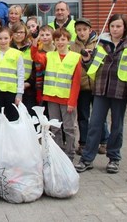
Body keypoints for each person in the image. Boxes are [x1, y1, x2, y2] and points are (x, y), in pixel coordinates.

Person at [74, 14, 127, 173]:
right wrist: (86, 60)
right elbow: (92, 67)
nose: (115, 29)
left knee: (117, 126)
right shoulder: (101, 44)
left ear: (125, 27)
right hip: (100, 89)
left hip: (120, 91)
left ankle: (114, 158)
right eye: (113, 26)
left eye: (118, 26)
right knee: (95, 124)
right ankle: (87, 159)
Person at [31, 27, 81, 160]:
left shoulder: (76, 57)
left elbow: (76, 83)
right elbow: (35, 56)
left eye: (63, 39)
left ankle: (70, 154)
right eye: (57, 39)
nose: (60, 42)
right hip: (51, 97)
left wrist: (72, 102)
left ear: (68, 40)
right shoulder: (49, 55)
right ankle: (57, 153)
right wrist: (35, 41)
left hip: (66, 99)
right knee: (55, 128)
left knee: (69, 129)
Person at [69, 18, 109, 156]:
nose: (82, 32)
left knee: (100, 116)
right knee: (83, 116)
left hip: (97, 86)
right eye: (79, 30)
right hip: (82, 86)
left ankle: (104, 141)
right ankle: (84, 143)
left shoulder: (99, 44)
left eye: (84, 30)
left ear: (90, 30)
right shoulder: (73, 47)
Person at [0, 27, 24, 122]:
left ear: (11, 38)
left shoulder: (17, 54)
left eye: (6, 38)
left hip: (11, 92)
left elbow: (21, 75)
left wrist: (19, 94)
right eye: (0, 38)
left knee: (13, 118)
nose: (3, 41)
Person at [11, 22, 37, 116]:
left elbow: (35, 68)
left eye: (21, 32)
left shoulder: (31, 49)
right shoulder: (7, 48)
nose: (18, 35)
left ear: (25, 34)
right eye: (16, 32)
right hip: (12, 87)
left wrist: (29, 82)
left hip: (28, 88)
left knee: (29, 116)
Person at [34, 25, 56, 107]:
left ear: (53, 36)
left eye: (47, 35)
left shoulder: (58, 50)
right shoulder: (38, 51)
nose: (44, 37)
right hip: (41, 87)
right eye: (42, 35)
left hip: (55, 87)